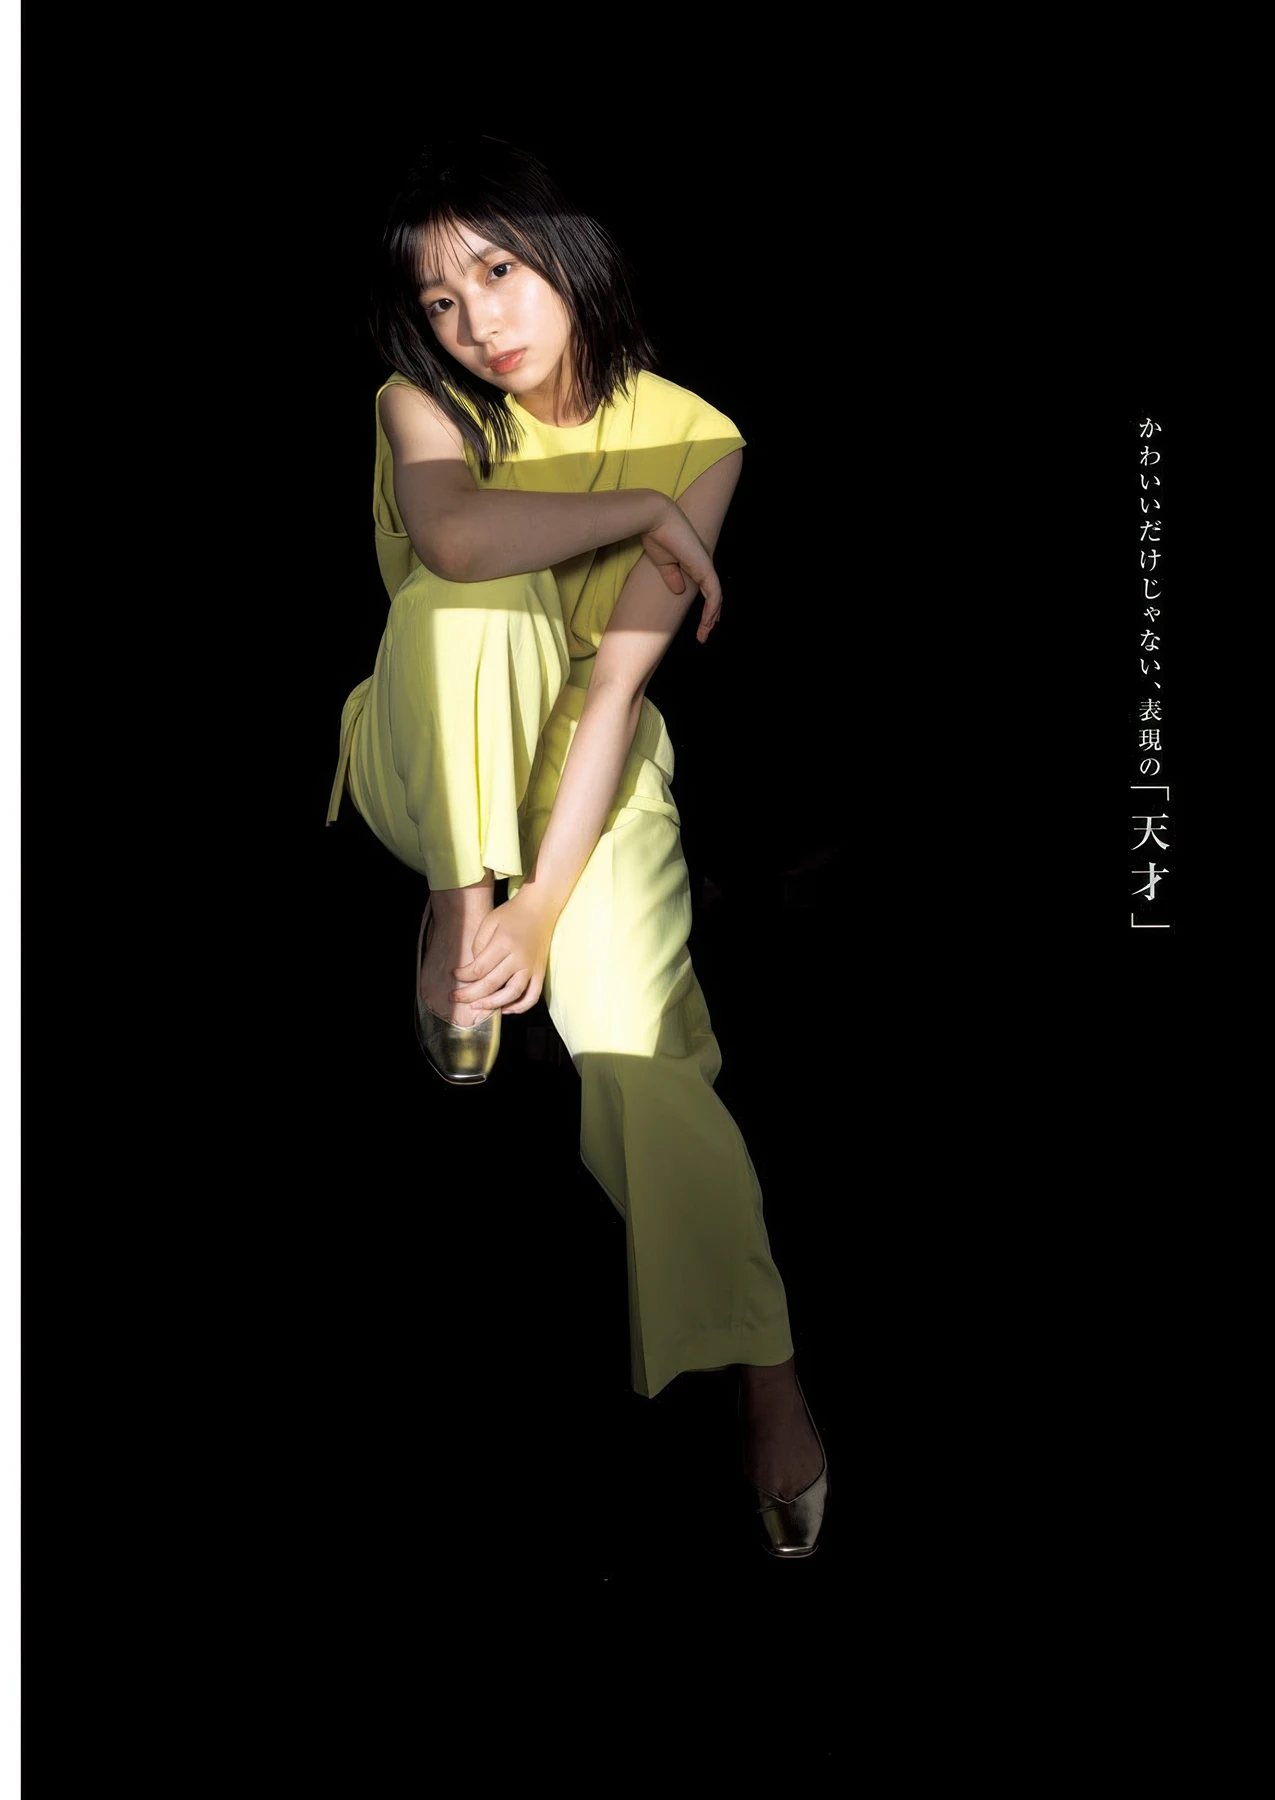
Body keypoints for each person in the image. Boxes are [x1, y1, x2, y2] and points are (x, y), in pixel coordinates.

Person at [325, 136, 828, 1558]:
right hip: (423, 755)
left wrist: (544, 907)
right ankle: (451, 907)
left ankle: (762, 1361)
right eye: (438, 299)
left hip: (593, 782)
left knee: (635, 1051)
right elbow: (452, 538)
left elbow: (612, 691)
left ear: (569, 250)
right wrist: (639, 511)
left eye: (497, 269)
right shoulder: (421, 404)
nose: (473, 322)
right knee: (463, 595)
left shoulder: (699, 433)